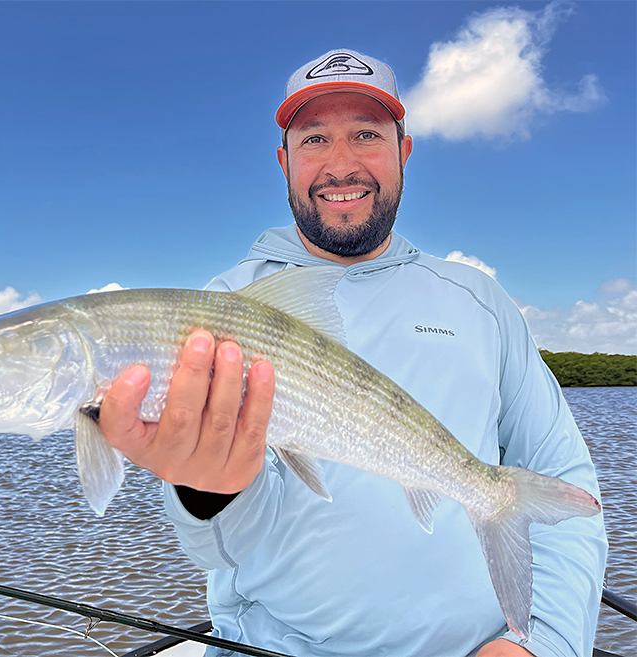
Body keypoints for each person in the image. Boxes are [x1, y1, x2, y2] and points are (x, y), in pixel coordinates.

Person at [98, 49, 607, 657]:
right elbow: (218, 549)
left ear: (403, 152)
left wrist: (540, 645)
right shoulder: (223, 306)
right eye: (314, 139)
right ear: (285, 162)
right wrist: (208, 492)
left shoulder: (480, 299)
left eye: (366, 135)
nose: (340, 165)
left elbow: (567, 487)